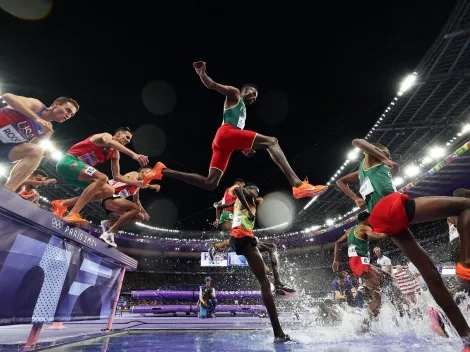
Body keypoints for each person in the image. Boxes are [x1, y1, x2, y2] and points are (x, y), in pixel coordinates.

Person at [336, 138, 470, 349]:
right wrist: (383, 159)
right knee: (466, 206)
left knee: (431, 276)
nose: (388, 157)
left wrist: (356, 198)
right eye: (385, 153)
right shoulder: (372, 159)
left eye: (388, 155)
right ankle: (466, 263)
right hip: (390, 208)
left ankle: (466, 339)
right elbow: (357, 141)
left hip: (382, 221)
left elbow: (340, 181)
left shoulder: (362, 173)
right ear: (373, 153)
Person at [143, 61, 327, 201]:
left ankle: (162, 171)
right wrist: (202, 73)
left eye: (256, 96)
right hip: (225, 133)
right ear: (244, 90)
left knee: (210, 184)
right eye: (252, 93)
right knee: (272, 141)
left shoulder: (243, 112)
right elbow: (213, 85)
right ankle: (297, 185)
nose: (254, 97)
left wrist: (243, 148)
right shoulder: (235, 94)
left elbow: (237, 136)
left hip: (225, 143)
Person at [229, 183, 291, 343]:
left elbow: (233, 203)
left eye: (257, 192)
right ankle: (278, 333)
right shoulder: (248, 196)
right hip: (242, 238)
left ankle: (278, 283)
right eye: (254, 191)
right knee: (264, 283)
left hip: (243, 238)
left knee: (271, 247)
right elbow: (237, 190)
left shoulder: (245, 202)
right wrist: (251, 208)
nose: (256, 194)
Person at [51, 127, 149, 226]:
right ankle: (73, 214)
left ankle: (62, 204)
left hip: (75, 174)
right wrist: (133, 154)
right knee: (102, 178)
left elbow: (117, 176)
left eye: (129, 139)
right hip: (67, 162)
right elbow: (110, 142)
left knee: (109, 191)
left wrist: (136, 183)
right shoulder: (106, 136)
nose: (128, 141)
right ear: (118, 134)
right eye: (127, 137)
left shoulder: (115, 153)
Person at [0, 93, 78, 193]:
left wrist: (45, 154)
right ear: (56, 104)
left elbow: (33, 148)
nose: (68, 115)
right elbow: (7, 96)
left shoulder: (48, 130)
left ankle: (7, 191)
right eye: (68, 110)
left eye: (71, 115)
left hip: (4, 147)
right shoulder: (38, 106)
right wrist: (36, 118)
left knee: (38, 150)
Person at [332, 212, 386, 317]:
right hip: (360, 261)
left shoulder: (349, 231)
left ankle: (370, 314)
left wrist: (335, 260)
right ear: (367, 219)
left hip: (357, 262)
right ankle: (363, 323)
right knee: (377, 296)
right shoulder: (364, 228)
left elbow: (337, 242)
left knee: (379, 284)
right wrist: (389, 230)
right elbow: (375, 236)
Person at [99, 166, 160, 247]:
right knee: (136, 209)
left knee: (139, 217)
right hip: (108, 196)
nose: (151, 176)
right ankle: (110, 232)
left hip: (115, 202)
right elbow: (132, 181)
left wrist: (145, 213)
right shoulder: (134, 174)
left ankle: (108, 223)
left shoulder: (138, 186)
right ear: (143, 171)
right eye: (149, 172)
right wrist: (151, 186)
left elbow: (136, 200)